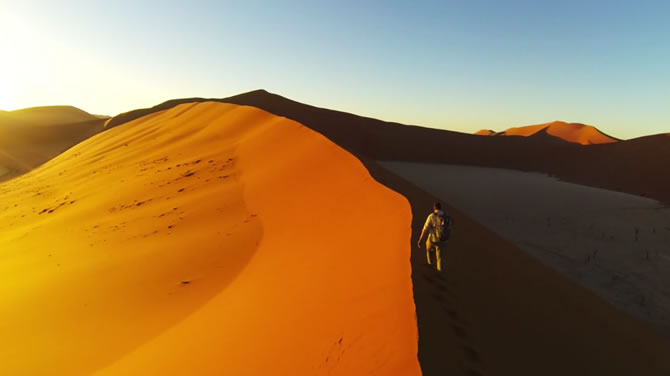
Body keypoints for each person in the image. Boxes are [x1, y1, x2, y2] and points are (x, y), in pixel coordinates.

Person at [417, 202, 452, 272]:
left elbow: (425, 229)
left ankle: (430, 265)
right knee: (439, 258)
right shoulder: (446, 217)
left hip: (433, 239)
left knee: (428, 249)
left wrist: (420, 239)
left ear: (434, 208)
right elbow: (449, 228)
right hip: (443, 240)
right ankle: (439, 271)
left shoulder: (432, 216)